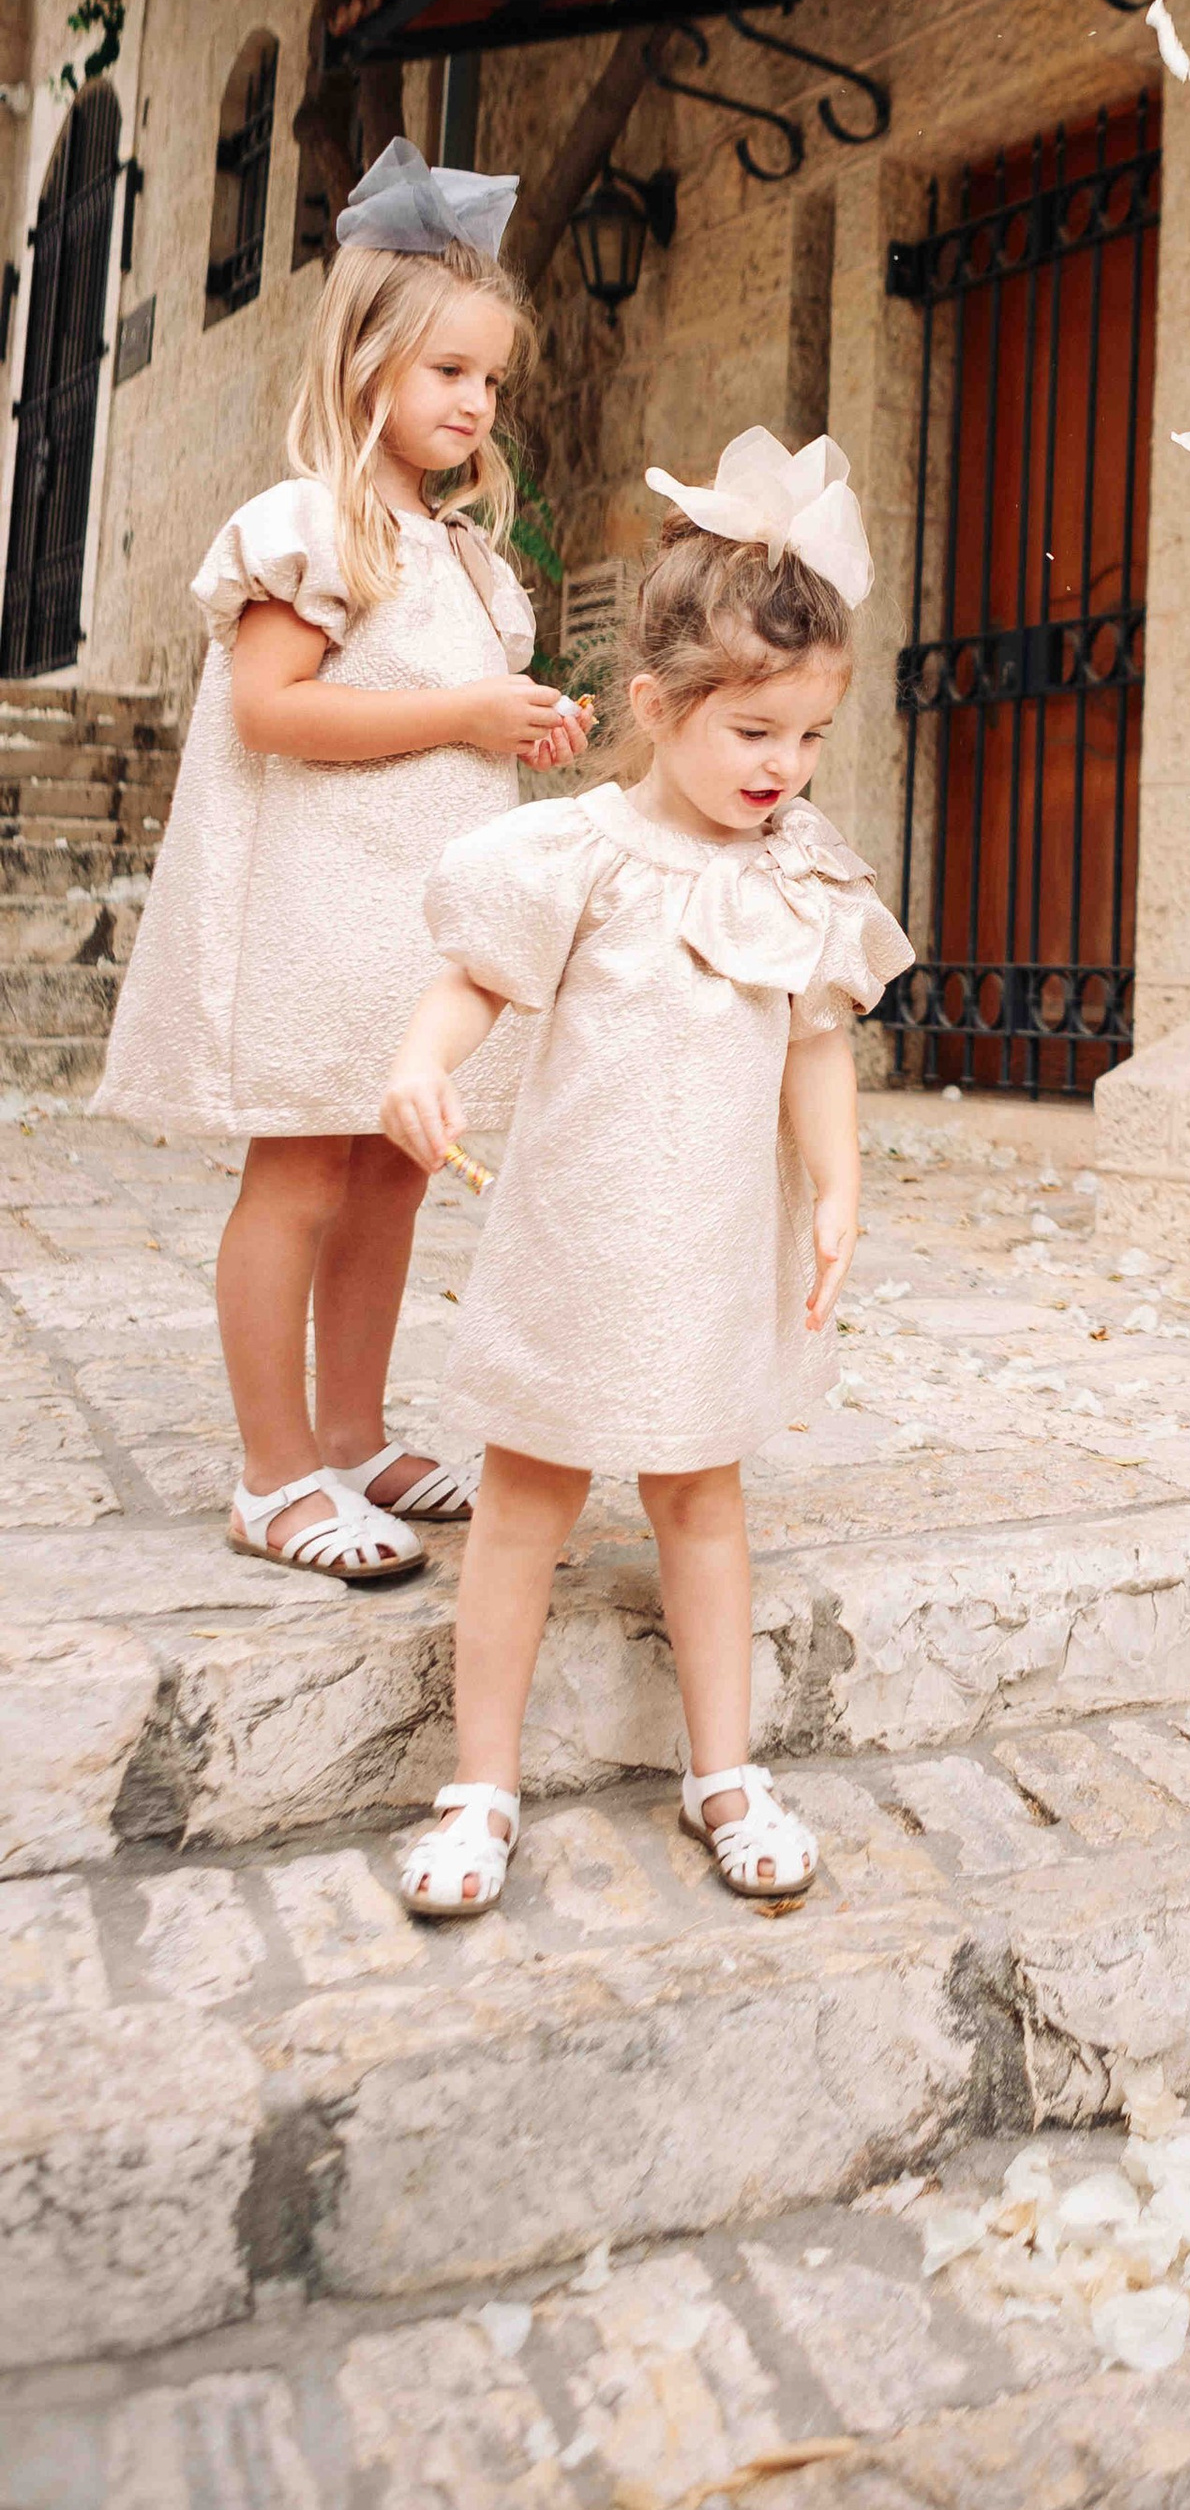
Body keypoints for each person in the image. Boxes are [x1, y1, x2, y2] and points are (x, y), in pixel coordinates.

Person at [377, 427, 913, 1919]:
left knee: (701, 1496)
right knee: (526, 1499)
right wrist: (422, 1063)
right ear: (658, 707)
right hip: (576, 1237)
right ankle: (481, 1781)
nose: (784, 768)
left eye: (810, 736)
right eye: (754, 732)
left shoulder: (801, 871)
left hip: (711, 1247)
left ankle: (722, 1769)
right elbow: (474, 981)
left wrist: (839, 1185)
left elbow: (815, 1042)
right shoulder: (583, 855)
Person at [95, 138, 589, 1584]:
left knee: (392, 1177)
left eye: (491, 380)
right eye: (449, 371)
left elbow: (452, 717)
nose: (475, 402)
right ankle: (272, 1478)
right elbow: (274, 711)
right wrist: (467, 712)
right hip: (321, 915)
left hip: (417, 926)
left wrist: (521, 727)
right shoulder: (312, 525)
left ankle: (356, 1436)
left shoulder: (466, 553)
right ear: (367, 362)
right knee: (302, 1173)